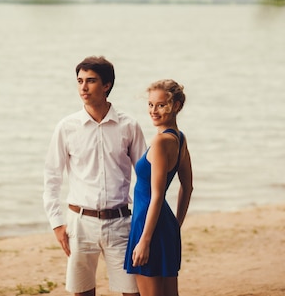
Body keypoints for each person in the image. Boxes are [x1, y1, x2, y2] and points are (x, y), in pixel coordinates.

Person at [43, 56, 147, 296]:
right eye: (79, 81)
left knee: (132, 291)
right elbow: (52, 177)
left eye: (90, 81)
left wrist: (143, 224)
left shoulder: (129, 126)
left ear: (107, 85)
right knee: (82, 292)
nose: (83, 87)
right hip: (80, 223)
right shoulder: (67, 127)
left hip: (121, 222)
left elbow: (145, 179)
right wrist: (57, 223)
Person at [124, 79, 194, 296]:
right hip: (163, 225)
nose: (154, 111)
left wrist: (144, 240)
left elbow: (156, 196)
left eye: (161, 105)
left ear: (177, 106)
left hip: (148, 225)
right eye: (151, 104)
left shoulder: (162, 142)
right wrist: (175, 225)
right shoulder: (180, 139)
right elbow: (188, 187)